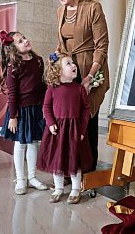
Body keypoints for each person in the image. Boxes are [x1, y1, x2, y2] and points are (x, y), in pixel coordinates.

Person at [47, 0, 109, 172]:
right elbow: (60, 45)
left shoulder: (93, 8)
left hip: (90, 69)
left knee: (87, 122)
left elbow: (102, 45)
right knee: (67, 122)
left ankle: (88, 173)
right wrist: (53, 61)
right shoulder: (60, 12)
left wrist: (91, 76)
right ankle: (70, 168)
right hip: (68, 72)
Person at [37, 52, 93, 204]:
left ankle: (75, 189)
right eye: (68, 63)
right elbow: (46, 107)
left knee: (75, 159)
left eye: (73, 63)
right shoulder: (52, 88)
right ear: (58, 71)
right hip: (57, 131)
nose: (74, 65)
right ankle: (59, 188)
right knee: (58, 160)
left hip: (74, 130)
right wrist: (50, 123)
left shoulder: (79, 89)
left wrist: (82, 130)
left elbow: (86, 110)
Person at [0, 30, 49, 195]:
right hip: (19, 111)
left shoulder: (39, 61)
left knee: (34, 142)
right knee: (20, 144)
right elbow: (13, 94)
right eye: (20, 41)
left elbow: (42, 86)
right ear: (14, 49)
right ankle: (21, 178)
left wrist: (44, 107)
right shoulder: (14, 66)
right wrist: (13, 117)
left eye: (24, 38)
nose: (25, 41)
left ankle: (32, 177)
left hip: (35, 109)